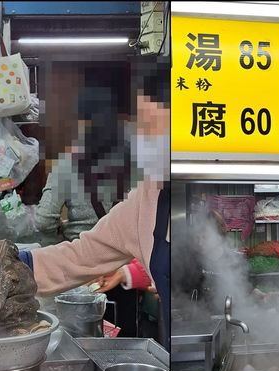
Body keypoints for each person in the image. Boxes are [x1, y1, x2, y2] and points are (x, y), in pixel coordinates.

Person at [18, 58, 170, 347]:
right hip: (117, 279)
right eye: (142, 126)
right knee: (125, 340)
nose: (144, 138)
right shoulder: (148, 189)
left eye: (152, 127)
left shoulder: (67, 166)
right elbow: (79, 257)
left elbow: (44, 220)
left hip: (98, 283)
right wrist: (16, 264)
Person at [33, 85, 148, 336]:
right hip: (126, 274)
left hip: (82, 277)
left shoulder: (66, 166)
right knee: (122, 345)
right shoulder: (140, 163)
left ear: (82, 122)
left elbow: (42, 220)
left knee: (81, 343)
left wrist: (61, 240)